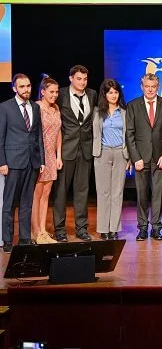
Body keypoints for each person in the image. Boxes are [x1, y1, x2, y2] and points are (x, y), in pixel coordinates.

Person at [126, 73, 162, 241]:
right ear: (142, 87)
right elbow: (129, 133)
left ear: (158, 87)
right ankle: (142, 228)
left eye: (153, 86)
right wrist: (135, 157)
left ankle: (156, 228)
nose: (150, 89)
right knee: (141, 194)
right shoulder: (132, 105)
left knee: (157, 194)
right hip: (140, 158)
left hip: (159, 158)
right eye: (147, 86)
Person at [0, 74, 45, 253]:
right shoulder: (5, 108)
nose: (26, 90)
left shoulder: (35, 107)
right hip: (12, 162)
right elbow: (0, 137)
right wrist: (2, 162)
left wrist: (41, 160)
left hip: (32, 162)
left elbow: (38, 135)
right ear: (14, 88)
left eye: (28, 86)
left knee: (27, 202)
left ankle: (25, 238)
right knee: (10, 203)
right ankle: (8, 240)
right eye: (22, 87)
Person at [54, 65, 97, 242]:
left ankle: (81, 229)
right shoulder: (61, 94)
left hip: (85, 149)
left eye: (85, 79)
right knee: (61, 192)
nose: (82, 82)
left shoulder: (92, 95)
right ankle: (60, 230)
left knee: (82, 191)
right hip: (66, 150)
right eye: (79, 79)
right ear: (71, 78)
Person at [92, 79, 130, 240]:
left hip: (121, 154)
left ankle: (114, 228)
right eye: (110, 92)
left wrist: (129, 158)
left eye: (115, 92)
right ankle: (103, 228)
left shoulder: (125, 112)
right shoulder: (97, 112)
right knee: (103, 192)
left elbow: (129, 136)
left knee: (117, 192)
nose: (113, 95)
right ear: (104, 94)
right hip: (103, 153)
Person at [31, 76, 61, 244]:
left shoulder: (56, 108)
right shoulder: (36, 107)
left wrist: (59, 155)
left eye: (56, 92)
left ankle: (43, 230)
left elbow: (59, 133)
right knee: (37, 194)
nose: (55, 95)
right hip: (39, 156)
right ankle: (35, 232)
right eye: (51, 92)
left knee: (46, 194)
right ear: (43, 92)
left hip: (51, 156)